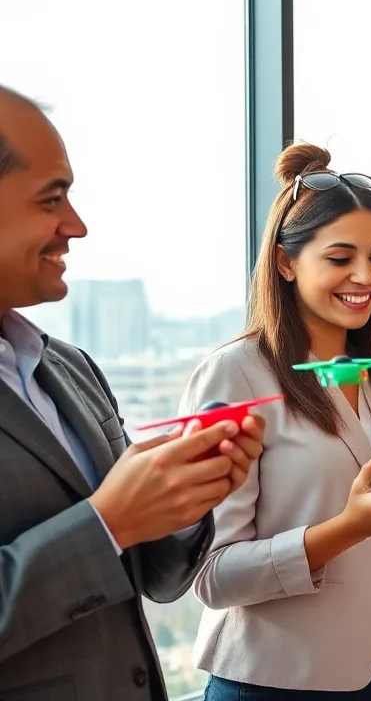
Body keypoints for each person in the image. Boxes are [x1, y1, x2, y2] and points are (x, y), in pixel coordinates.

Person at [0, 84, 264, 699]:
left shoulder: (70, 370)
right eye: (52, 198)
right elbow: (108, 534)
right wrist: (108, 521)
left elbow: (155, 579)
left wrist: (188, 497)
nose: (77, 226)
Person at [186, 142, 371, 699]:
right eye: (339, 258)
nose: (366, 275)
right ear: (285, 262)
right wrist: (348, 528)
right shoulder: (235, 376)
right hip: (282, 677)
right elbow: (213, 575)